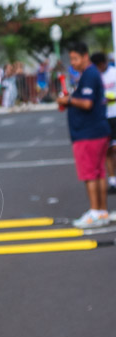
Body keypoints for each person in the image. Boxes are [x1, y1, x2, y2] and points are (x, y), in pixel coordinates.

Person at [58, 42, 111, 228]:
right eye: (71, 59)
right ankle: (102, 211)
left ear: (85, 56)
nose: (73, 63)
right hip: (96, 131)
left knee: (90, 174)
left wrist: (68, 100)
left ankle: (95, 212)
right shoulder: (89, 74)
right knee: (98, 173)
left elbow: (87, 103)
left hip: (88, 133)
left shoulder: (89, 74)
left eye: (75, 58)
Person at [94, 52, 116, 194]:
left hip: (115, 114)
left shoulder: (114, 73)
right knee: (108, 150)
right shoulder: (95, 76)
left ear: (103, 63)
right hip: (103, 116)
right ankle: (112, 180)